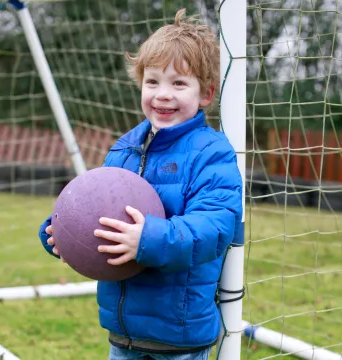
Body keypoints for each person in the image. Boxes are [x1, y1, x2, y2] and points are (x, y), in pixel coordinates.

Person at [39, 8, 242, 360]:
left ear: (206, 94)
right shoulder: (125, 148)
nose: (163, 94)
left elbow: (213, 228)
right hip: (123, 332)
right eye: (153, 82)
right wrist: (61, 233)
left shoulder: (211, 153)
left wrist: (147, 239)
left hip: (177, 333)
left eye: (179, 83)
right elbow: (94, 209)